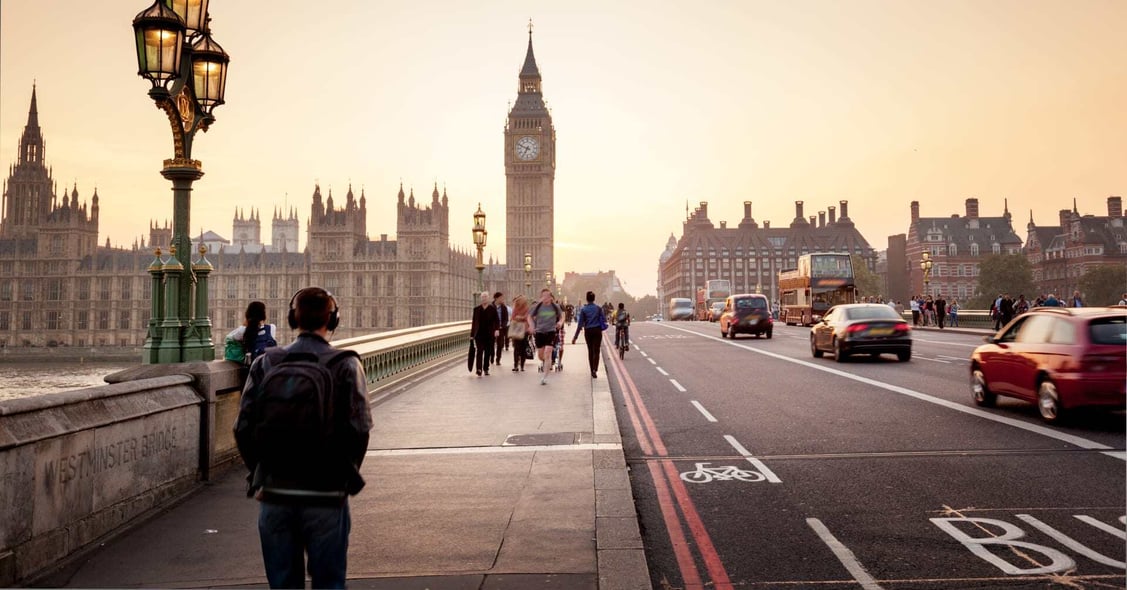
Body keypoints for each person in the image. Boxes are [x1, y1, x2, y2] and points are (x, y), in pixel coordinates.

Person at [235, 287, 371, 590]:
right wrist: (343, 476)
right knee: (329, 584)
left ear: (292, 318)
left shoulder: (265, 364)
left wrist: (262, 473)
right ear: (333, 320)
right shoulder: (346, 364)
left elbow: (242, 428)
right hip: (326, 494)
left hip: (274, 493)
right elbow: (359, 429)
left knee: (283, 584)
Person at [225, 301, 277, 365]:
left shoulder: (243, 330)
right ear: (263, 315)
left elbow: (229, 338)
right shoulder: (272, 328)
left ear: (247, 314)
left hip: (253, 368)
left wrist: (245, 324)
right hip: (270, 367)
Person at [531, 289, 564, 385]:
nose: (545, 298)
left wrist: (560, 322)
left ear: (550, 297)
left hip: (551, 331)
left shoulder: (555, 306)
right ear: (541, 297)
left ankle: (545, 377)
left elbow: (562, 316)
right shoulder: (537, 307)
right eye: (543, 296)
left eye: (547, 296)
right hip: (540, 332)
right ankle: (546, 361)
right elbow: (530, 316)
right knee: (541, 356)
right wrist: (533, 325)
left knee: (548, 353)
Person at [572, 291, 607, 378]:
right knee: (597, 350)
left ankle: (592, 370)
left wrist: (575, 337)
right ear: (594, 299)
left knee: (590, 350)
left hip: (588, 331)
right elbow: (604, 319)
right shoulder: (599, 308)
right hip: (597, 330)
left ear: (587, 299)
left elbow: (580, 325)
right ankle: (595, 368)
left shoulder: (584, 309)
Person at [470, 292, 498, 377]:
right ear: (480, 298)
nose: (484, 298)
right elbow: (474, 323)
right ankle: (479, 369)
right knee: (479, 351)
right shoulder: (476, 309)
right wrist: (472, 335)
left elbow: (496, 320)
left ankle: (486, 368)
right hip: (479, 334)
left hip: (489, 334)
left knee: (487, 352)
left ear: (488, 298)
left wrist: (497, 330)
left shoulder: (492, 309)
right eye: (482, 297)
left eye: (485, 297)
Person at [508, 294, 532, 372]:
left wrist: (520, 317)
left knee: (523, 348)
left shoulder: (527, 308)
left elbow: (527, 317)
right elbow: (513, 317)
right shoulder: (515, 308)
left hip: (524, 330)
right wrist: (519, 318)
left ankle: (522, 365)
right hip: (516, 330)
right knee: (516, 348)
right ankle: (515, 365)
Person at [493, 292, 509, 367]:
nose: (502, 299)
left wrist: (503, 325)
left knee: (500, 344)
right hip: (492, 329)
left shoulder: (504, 307)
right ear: (496, 298)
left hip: (500, 329)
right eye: (501, 298)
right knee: (490, 344)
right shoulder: (491, 306)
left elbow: (506, 318)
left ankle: (498, 359)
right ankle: (491, 357)